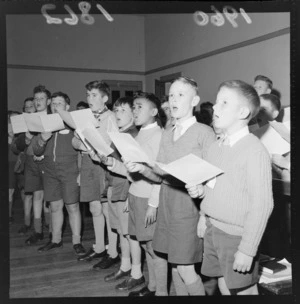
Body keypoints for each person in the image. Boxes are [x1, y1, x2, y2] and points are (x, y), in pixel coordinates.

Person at [125, 77, 216, 296]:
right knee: (175, 265)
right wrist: (142, 168)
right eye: (171, 95)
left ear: (194, 100)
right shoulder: (168, 133)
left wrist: (205, 215)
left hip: (189, 206)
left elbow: (214, 179)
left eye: (180, 95)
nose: (174, 100)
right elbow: (161, 177)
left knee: (185, 268)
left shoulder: (205, 132)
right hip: (167, 202)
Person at [186, 80, 274, 295]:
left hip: (236, 237)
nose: (215, 107)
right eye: (217, 102)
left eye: (224, 102)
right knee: (224, 285)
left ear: (243, 112)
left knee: (243, 290)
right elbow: (213, 186)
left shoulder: (254, 150)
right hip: (212, 229)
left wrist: (247, 249)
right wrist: (202, 211)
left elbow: (262, 205)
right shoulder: (215, 146)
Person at [106, 92, 167, 296]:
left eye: (140, 107)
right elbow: (132, 172)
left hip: (148, 199)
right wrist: (112, 163)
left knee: (153, 247)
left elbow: (160, 173)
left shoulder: (158, 135)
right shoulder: (140, 134)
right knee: (144, 244)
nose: (135, 111)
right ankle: (152, 287)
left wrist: (153, 203)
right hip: (136, 195)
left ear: (154, 111)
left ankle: (160, 291)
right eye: (134, 107)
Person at [89, 97, 138, 280]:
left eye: (123, 111)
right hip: (114, 186)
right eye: (116, 110)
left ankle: (133, 269)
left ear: (133, 113)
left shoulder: (132, 135)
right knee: (120, 230)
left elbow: (133, 169)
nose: (118, 114)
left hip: (124, 189)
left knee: (127, 233)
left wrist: (129, 196)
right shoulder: (118, 135)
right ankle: (125, 266)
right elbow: (112, 161)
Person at [32, 92, 86, 255]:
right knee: (55, 207)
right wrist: (42, 138)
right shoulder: (44, 124)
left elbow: (84, 150)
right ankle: (56, 240)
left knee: (72, 206)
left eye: (59, 103)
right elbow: (37, 150)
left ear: (67, 107)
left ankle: (77, 241)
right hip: (50, 171)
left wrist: (80, 172)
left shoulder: (75, 124)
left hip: (70, 170)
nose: (55, 106)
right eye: (53, 103)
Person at [74, 81, 118, 266]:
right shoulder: (84, 116)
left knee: (107, 209)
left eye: (94, 95)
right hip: (87, 163)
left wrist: (91, 145)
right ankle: (99, 247)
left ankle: (113, 252)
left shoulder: (111, 117)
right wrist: (83, 144)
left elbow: (112, 144)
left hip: (103, 165)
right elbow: (74, 142)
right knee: (94, 208)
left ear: (105, 98)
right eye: (88, 95)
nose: (89, 99)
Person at [15, 85, 51, 244]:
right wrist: (27, 138)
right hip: (31, 161)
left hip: (47, 161)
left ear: (48, 101)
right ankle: (38, 231)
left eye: (41, 98)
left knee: (48, 198)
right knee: (37, 196)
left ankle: (50, 228)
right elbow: (19, 145)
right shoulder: (28, 118)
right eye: (36, 98)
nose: (38, 101)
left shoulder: (53, 117)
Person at [17, 98, 36, 234]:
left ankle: (45, 223)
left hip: (41, 163)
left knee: (42, 196)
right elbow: (16, 147)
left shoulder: (42, 122)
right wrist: (26, 139)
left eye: (32, 106)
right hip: (26, 164)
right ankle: (27, 223)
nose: (29, 108)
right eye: (27, 107)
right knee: (27, 195)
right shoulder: (20, 125)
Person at [8, 110, 23, 224]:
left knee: (21, 191)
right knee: (9, 191)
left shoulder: (22, 134)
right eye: (11, 120)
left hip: (19, 164)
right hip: (8, 164)